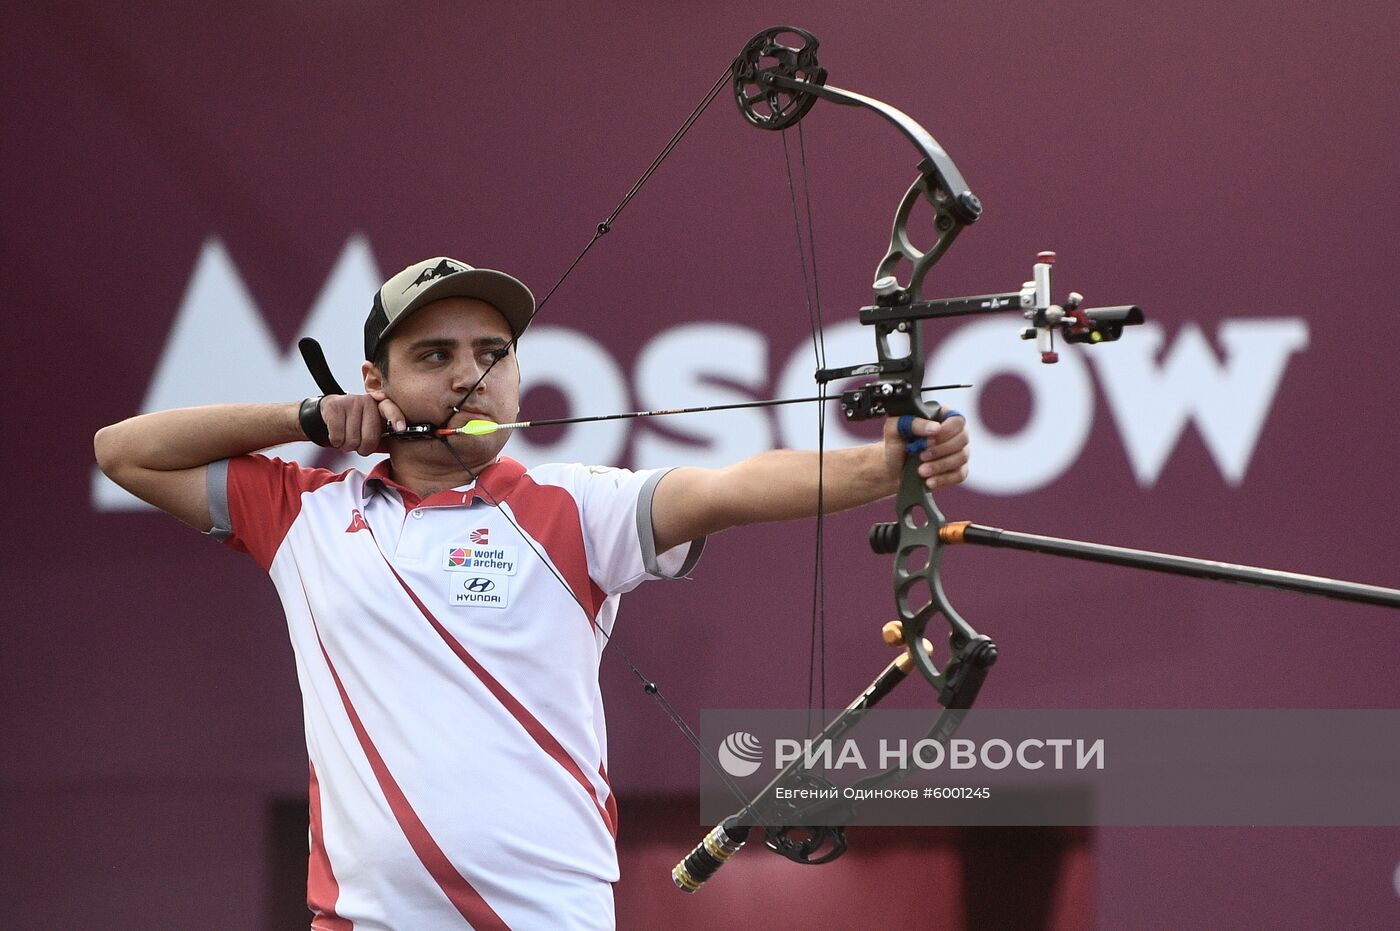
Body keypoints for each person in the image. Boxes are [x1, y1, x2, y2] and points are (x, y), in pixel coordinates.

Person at [93, 256, 971, 930]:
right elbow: (123, 449)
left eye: (492, 354)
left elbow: (731, 487)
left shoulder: (575, 506)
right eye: (433, 356)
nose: (470, 377)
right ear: (376, 384)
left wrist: (880, 464)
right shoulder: (304, 514)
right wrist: (307, 421)